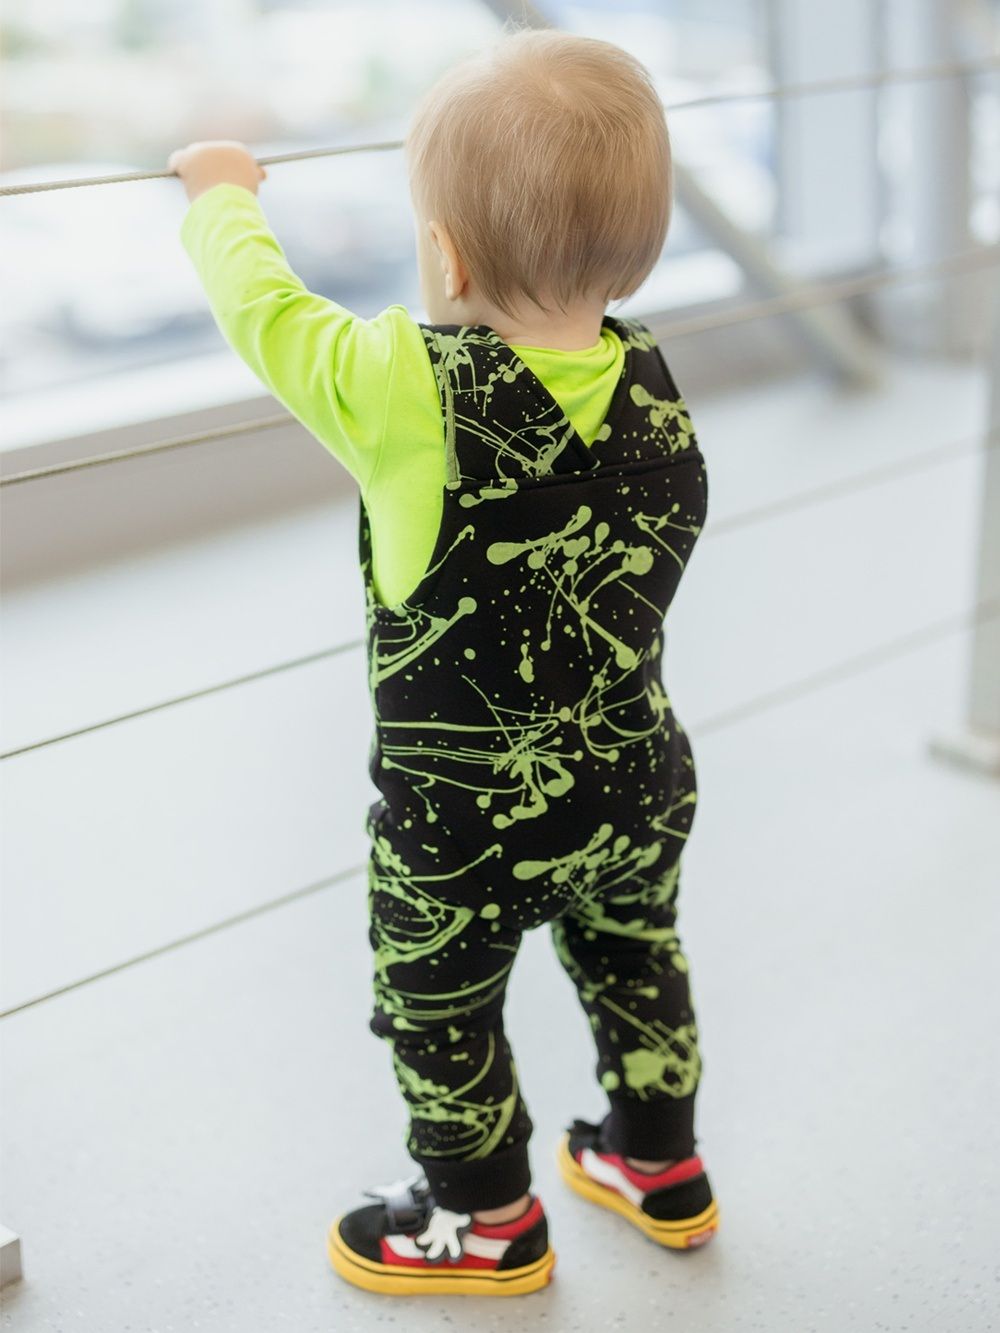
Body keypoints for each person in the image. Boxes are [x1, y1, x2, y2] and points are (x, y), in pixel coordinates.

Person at [170, 24, 718, 1299]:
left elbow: (265, 314)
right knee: (636, 953)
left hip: (463, 830)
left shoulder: (401, 387)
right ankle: (660, 1162)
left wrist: (221, 194)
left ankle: (483, 1218)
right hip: (637, 780)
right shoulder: (650, 375)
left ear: (446, 254)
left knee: (439, 1005)